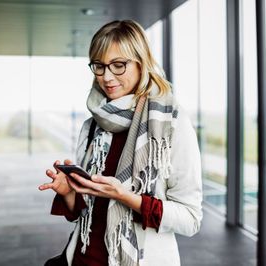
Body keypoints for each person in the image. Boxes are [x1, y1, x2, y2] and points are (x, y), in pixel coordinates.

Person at [39, 19, 202, 266]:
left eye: (118, 65)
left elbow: (190, 219)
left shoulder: (170, 124)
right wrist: (70, 194)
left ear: (141, 63)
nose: (106, 77)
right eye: (99, 66)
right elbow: (82, 215)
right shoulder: (93, 124)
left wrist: (125, 197)